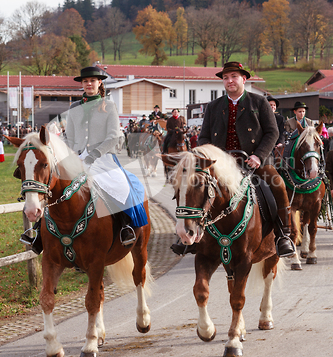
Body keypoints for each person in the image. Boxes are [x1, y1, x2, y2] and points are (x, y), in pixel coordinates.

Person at [171, 61, 295, 258]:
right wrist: (210, 157)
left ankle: (284, 235)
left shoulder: (259, 102)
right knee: (193, 188)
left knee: (278, 184)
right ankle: (192, 236)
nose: (230, 81)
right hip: (221, 165)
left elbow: (272, 132)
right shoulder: (214, 106)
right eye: (226, 78)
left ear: (244, 79)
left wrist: (258, 156)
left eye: (234, 77)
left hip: (253, 161)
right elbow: (204, 138)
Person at [22, 66, 148, 254]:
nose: (89, 84)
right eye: (85, 81)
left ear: (99, 83)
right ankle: (39, 232)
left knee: (121, 185)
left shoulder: (109, 106)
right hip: (77, 158)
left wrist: (94, 155)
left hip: (104, 157)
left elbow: (113, 137)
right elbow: (70, 138)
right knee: (53, 185)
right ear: (82, 84)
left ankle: (125, 228)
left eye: (92, 81)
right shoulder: (74, 107)